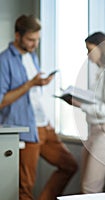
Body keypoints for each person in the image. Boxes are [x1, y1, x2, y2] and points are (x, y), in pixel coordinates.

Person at [0, 14, 78, 200]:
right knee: (25, 186)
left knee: (69, 165)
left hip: (43, 125)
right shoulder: (4, 60)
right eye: (31, 39)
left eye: (38, 40)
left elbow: (32, 96)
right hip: (25, 128)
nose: (35, 44)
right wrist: (30, 84)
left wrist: (39, 84)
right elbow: (2, 100)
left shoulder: (32, 56)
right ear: (17, 36)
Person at [66, 32, 105, 193]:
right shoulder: (101, 72)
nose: (88, 54)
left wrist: (81, 105)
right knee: (86, 185)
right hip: (94, 131)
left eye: (89, 50)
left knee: (91, 187)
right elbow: (99, 102)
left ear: (101, 48)